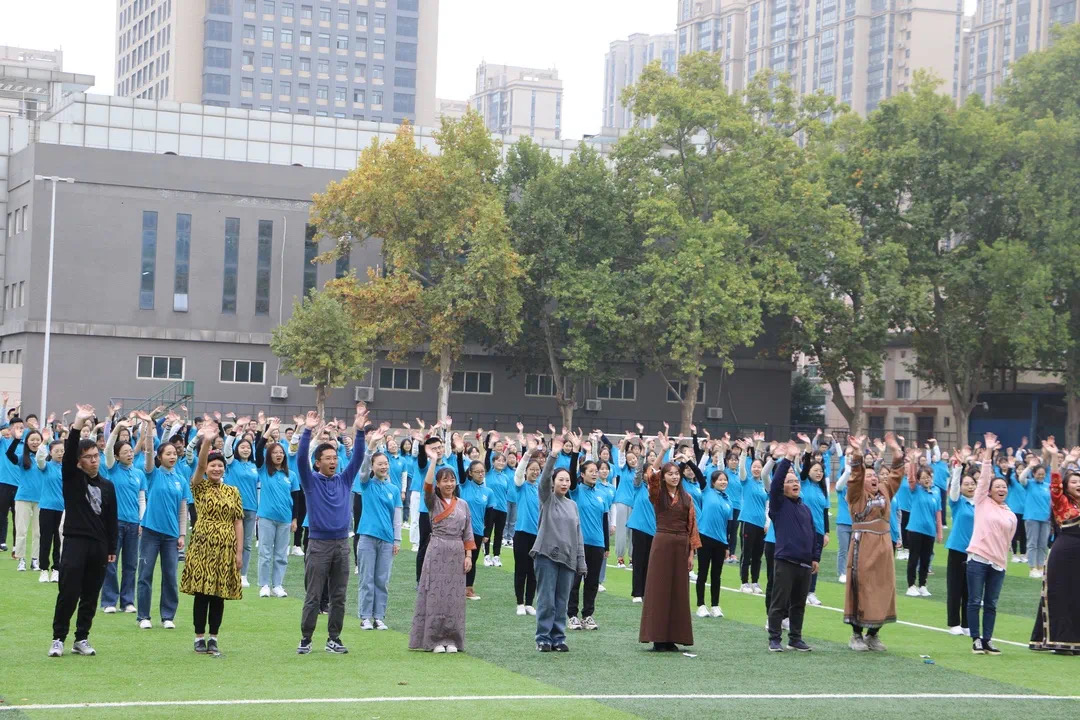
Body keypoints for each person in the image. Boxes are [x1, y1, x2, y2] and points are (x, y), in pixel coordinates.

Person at [295, 406, 367, 655]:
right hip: (318, 545)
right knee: (313, 595)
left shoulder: (344, 480)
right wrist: (307, 430)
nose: (333, 461)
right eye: (328, 458)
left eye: (335, 458)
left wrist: (359, 431)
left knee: (339, 596)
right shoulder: (310, 481)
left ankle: (334, 638)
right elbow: (300, 460)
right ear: (318, 463)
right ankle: (306, 638)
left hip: (341, 545)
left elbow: (358, 458)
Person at [49, 404, 117, 658]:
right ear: (79, 462)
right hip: (75, 542)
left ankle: (81, 638)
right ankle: (58, 638)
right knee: (69, 592)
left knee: (90, 594)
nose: (94, 460)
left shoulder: (107, 486)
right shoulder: (72, 479)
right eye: (88, 457)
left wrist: (111, 548)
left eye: (96, 456)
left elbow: (111, 519)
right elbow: (68, 454)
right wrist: (78, 423)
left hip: (99, 546)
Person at [180, 425, 243, 656]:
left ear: (224, 468)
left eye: (220, 465)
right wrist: (206, 441)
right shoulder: (199, 486)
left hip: (226, 547)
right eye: (212, 465)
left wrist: (238, 553)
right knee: (202, 593)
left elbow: (238, 522)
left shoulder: (233, 491)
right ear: (207, 468)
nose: (216, 468)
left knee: (218, 594)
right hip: (203, 545)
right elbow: (198, 466)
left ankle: (214, 637)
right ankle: (199, 637)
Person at [409, 442, 474, 654]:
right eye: (445, 480)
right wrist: (433, 461)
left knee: (454, 598)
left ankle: (452, 639)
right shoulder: (433, 501)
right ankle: (434, 639)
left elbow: (468, 532)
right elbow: (427, 485)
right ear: (438, 484)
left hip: (457, 552)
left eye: (452, 480)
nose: (449, 484)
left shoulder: (463, 504)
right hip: (437, 550)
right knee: (436, 596)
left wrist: (468, 555)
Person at [842, 433, 904, 652]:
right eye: (869, 476)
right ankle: (856, 635)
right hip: (863, 546)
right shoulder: (855, 496)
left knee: (884, 588)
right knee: (862, 587)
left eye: (875, 475)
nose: (873, 478)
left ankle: (873, 635)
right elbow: (855, 477)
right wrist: (858, 454)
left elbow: (896, 476)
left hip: (884, 547)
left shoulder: (885, 491)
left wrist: (896, 453)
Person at [640, 432, 701, 652]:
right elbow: (651, 475)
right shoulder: (657, 494)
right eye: (670, 474)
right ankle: (658, 638)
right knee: (659, 588)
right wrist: (663, 450)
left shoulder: (687, 497)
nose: (674, 477)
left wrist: (691, 553)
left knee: (679, 592)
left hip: (681, 545)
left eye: (677, 474)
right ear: (664, 477)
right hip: (662, 543)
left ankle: (673, 638)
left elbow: (692, 526)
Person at [530, 434, 586, 653]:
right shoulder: (547, 498)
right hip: (546, 556)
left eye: (567, 480)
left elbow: (578, 536)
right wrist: (553, 455)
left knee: (562, 601)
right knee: (547, 600)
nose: (564, 483)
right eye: (560, 480)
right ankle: (543, 638)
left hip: (568, 559)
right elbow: (543, 479)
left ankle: (558, 637)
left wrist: (581, 562)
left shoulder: (573, 506)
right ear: (554, 482)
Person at [766, 442, 820, 653]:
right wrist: (787, 459)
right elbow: (775, 483)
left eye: (796, 481)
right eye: (790, 482)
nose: (795, 483)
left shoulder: (805, 508)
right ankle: (774, 639)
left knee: (799, 604)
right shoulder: (779, 505)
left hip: (804, 563)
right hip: (785, 561)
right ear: (783, 487)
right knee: (779, 602)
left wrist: (815, 557)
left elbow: (813, 534)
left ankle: (795, 638)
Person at [138, 413, 191, 630]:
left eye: (174, 454)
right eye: (167, 453)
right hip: (150, 532)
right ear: (160, 457)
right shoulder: (153, 474)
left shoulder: (181, 480)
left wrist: (182, 534)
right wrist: (150, 427)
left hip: (171, 536)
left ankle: (167, 616)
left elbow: (182, 509)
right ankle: (143, 616)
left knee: (170, 576)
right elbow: (148, 455)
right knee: (145, 574)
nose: (172, 456)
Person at [966, 433, 1017, 655]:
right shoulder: (982, 501)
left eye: (1004, 487)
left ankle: (987, 639)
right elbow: (985, 476)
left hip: (998, 563)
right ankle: (976, 639)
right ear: (989, 490)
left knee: (991, 604)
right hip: (978, 558)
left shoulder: (1010, 515)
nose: (1001, 489)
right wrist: (989, 452)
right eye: (997, 486)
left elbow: (1008, 541)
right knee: (975, 600)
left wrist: (1004, 561)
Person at [1029, 439, 1080, 654]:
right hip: (1064, 554)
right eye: (1074, 482)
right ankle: (1060, 641)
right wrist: (1057, 459)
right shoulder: (1062, 501)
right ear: (1067, 487)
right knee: (1061, 594)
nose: (1078, 485)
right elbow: (1055, 484)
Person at [355, 426, 403, 631]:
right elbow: (363, 470)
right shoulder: (366, 484)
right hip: (367, 537)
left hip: (387, 540)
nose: (384, 467)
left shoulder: (393, 489)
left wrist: (397, 540)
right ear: (373, 466)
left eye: (386, 464)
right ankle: (365, 616)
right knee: (367, 579)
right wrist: (371, 447)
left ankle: (379, 616)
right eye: (380, 464)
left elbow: (397, 517)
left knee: (382, 580)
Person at [566, 435, 610, 632]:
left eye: (596, 471)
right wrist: (576, 451)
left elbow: (604, 520)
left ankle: (587, 615)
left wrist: (606, 545)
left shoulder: (602, 494)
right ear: (582, 474)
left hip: (597, 544)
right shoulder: (576, 491)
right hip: (579, 543)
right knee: (575, 580)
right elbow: (571, 472)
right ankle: (572, 615)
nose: (594, 474)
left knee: (592, 582)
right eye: (590, 471)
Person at [100, 420, 144, 614]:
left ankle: (127, 601)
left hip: (133, 523)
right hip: (114, 522)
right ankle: (109, 601)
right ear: (117, 456)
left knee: (131, 564)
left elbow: (142, 499)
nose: (130, 454)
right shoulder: (112, 468)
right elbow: (108, 447)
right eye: (125, 452)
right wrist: (118, 428)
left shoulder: (139, 473)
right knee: (111, 561)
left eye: (131, 451)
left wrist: (142, 521)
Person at [255, 419, 300, 598]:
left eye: (281, 452)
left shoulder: (292, 475)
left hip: (285, 519)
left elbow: (296, 498)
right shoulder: (264, 470)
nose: (279, 455)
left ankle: (278, 585)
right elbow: (258, 448)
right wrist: (269, 430)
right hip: (266, 517)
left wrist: (294, 519)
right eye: (275, 452)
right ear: (270, 455)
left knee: (281, 554)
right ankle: (264, 584)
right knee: (265, 552)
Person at [455, 444, 493, 601]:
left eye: (482, 471)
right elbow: (460, 469)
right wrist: (459, 453)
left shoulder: (488, 492)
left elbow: (490, 515)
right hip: (459, 528)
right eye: (477, 472)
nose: (481, 474)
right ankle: (455, 586)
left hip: (476, 530)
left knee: (472, 560)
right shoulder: (465, 485)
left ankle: (468, 589)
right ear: (470, 473)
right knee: (458, 558)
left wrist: (487, 534)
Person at [945, 454, 976, 635]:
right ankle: (954, 623)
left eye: (972, 484)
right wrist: (958, 468)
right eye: (967, 484)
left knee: (970, 589)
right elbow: (955, 487)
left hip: (975, 551)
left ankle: (966, 623)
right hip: (957, 549)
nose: (970, 487)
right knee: (955, 587)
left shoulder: (980, 504)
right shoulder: (958, 502)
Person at [223, 432, 258, 588]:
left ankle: (242, 575)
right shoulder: (232, 463)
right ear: (237, 449)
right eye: (242, 447)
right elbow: (227, 447)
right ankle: (228, 572)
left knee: (247, 543)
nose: (245, 449)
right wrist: (234, 432)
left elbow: (258, 488)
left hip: (251, 508)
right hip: (232, 507)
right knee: (230, 541)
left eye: (248, 447)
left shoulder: (254, 466)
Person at [7, 426, 43, 572]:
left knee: (38, 532)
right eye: (32, 440)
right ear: (27, 442)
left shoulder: (44, 459)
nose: (35, 442)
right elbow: (10, 454)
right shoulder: (23, 458)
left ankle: (35, 560)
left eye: (38, 440)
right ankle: (21, 559)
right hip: (23, 498)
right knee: (21, 530)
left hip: (41, 500)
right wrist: (16, 439)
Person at [695, 467, 731, 618]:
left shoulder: (728, 500)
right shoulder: (706, 491)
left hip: (721, 542)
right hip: (705, 537)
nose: (723, 482)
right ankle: (701, 605)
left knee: (716, 575)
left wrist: (727, 545)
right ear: (713, 482)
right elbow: (698, 474)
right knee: (703, 572)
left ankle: (715, 605)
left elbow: (727, 525)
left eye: (725, 480)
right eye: (720, 480)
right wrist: (688, 460)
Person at [903, 460, 942, 597]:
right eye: (924, 477)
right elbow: (911, 479)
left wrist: (939, 532)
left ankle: (923, 585)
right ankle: (911, 585)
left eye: (929, 477)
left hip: (929, 531)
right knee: (914, 558)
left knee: (926, 559)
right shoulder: (916, 489)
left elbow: (938, 513)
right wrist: (913, 463)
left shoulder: (936, 491)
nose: (927, 480)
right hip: (915, 530)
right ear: (919, 480)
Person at [512, 446, 541, 616]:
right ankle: (520, 603)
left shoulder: (541, 488)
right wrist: (527, 455)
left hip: (538, 535)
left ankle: (530, 603)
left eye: (537, 470)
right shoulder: (521, 486)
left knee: (534, 571)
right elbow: (518, 474)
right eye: (532, 469)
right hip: (522, 533)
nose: (535, 472)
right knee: (521, 569)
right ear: (526, 471)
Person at [737, 435, 767, 594]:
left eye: (759, 467)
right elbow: (741, 469)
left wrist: (767, 522)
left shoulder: (765, 484)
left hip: (761, 524)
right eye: (754, 467)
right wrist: (744, 452)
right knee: (746, 554)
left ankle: (755, 581)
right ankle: (744, 582)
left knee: (757, 555)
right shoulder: (746, 480)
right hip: (747, 522)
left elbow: (768, 505)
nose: (756, 469)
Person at [36, 431, 65, 583]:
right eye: (57, 451)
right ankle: (43, 569)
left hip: (63, 509)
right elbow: (39, 458)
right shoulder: (46, 466)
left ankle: (57, 569)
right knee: (46, 539)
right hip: (47, 507)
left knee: (59, 540)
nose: (60, 453)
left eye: (62, 451)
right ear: (51, 453)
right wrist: (44, 442)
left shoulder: (67, 468)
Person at [1017, 454, 1051, 579]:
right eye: (1038, 474)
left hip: (1046, 518)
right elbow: (1021, 478)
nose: (1041, 476)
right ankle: (1032, 568)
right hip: (1031, 517)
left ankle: (1041, 567)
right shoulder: (1030, 484)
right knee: (1032, 543)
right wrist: (1029, 467)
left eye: (1043, 474)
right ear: (1034, 474)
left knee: (1043, 544)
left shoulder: (1047, 486)